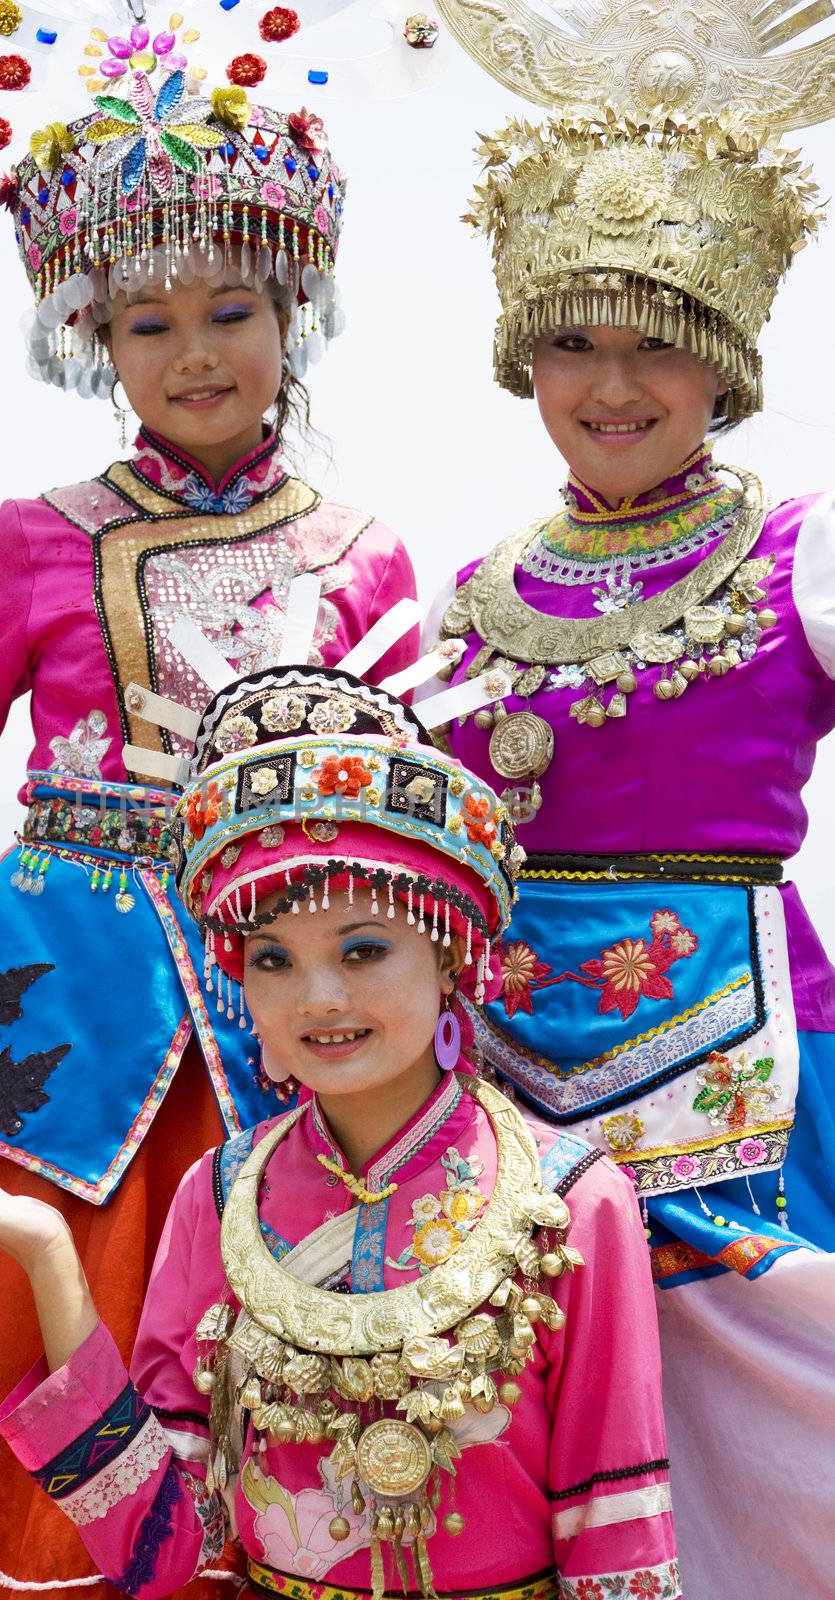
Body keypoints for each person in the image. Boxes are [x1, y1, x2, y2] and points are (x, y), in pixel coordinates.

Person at [0, 38, 418, 1598]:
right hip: (44, 1002)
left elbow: (400, 817)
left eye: (230, 313)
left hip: (284, 1009)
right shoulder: (40, 541)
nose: (194, 354)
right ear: (95, 346)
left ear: (289, 320)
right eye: (147, 323)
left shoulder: (362, 549)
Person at [0, 637, 680, 1600]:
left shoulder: (573, 1202)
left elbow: (616, 1539)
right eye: (272, 959)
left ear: (452, 951)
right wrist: (52, 1264)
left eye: (362, 948)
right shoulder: (220, 1196)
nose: (316, 997)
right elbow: (162, 1554)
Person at [429, 7, 835, 1594]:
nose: (612, 385)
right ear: (524, 356)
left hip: (737, 1068)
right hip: (505, 1089)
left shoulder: (799, 551)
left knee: (756, 1430)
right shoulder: (471, 593)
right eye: (575, 343)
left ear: (723, 359)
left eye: (655, 338)